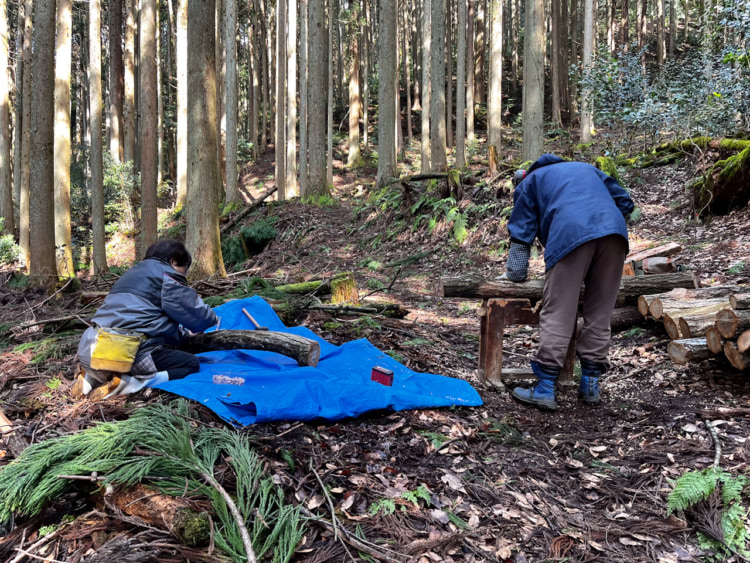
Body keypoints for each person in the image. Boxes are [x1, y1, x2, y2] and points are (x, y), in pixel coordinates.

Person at [503, 154, 634, 410]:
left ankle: (544, 388)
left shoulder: (531, 181)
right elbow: (625, 203)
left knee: (559, 310)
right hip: (615, 233)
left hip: (571, 231)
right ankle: (590, 386)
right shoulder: (587, 169)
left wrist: (515, 274)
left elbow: (520, 234)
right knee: (600, 310)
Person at [76, 239, 218, 397]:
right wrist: (213, 318)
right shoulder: (167, 278)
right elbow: (200, 317)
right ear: (174, 261)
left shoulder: (130, 274)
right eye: (184, 271)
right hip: (120, 352)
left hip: (89, 348)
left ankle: (90, 380)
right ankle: (129, 385)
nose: (183, 276)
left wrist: (183, 335)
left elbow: (144, 320)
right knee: (190, 363)